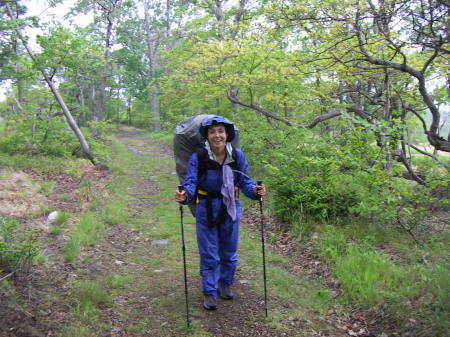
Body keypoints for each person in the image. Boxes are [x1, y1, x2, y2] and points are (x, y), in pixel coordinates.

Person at [175, 115, 266, 310]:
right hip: (205, 209)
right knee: (209, 254)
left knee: (229, 253)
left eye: (221, 131)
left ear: (227, 134)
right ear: (207, 136)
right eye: (212, 132)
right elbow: (190, 182)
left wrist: (255, 192)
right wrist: (186, 195)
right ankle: (209, 292)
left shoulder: (237, 156)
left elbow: (244, 181)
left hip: (230, 208)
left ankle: (225, 284)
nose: (217, 135)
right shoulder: (198, 157)